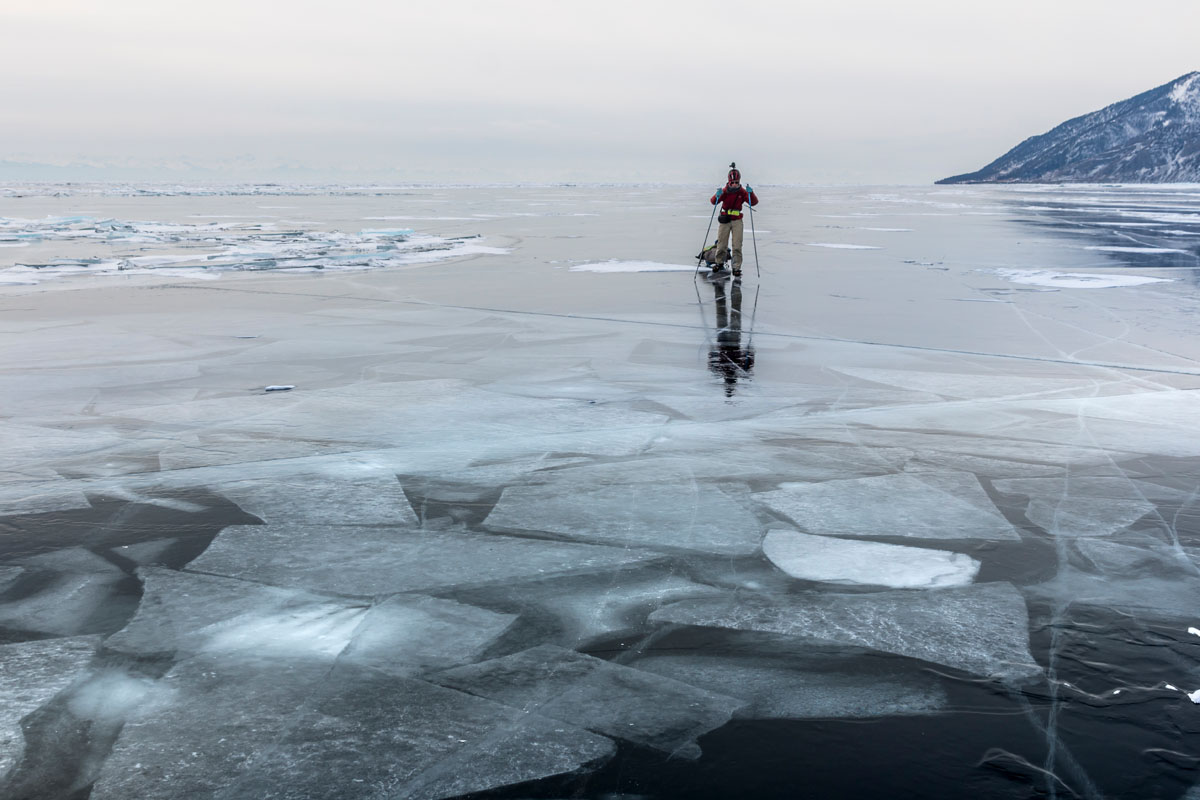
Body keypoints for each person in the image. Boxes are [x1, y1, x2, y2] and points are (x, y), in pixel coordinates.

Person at [709, 163, 759, 277]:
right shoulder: (725, 191)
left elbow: (754, 203)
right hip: (725, 220)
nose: (735, 184)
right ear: (729, 181)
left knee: (737, 245)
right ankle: (719, 263)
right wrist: (717, 195)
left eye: (737, 182)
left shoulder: (742, 192)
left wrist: (751, 193)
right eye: (733, 182)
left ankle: (736, 267)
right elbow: (713, 202)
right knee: (722, 244)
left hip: (737, 221)